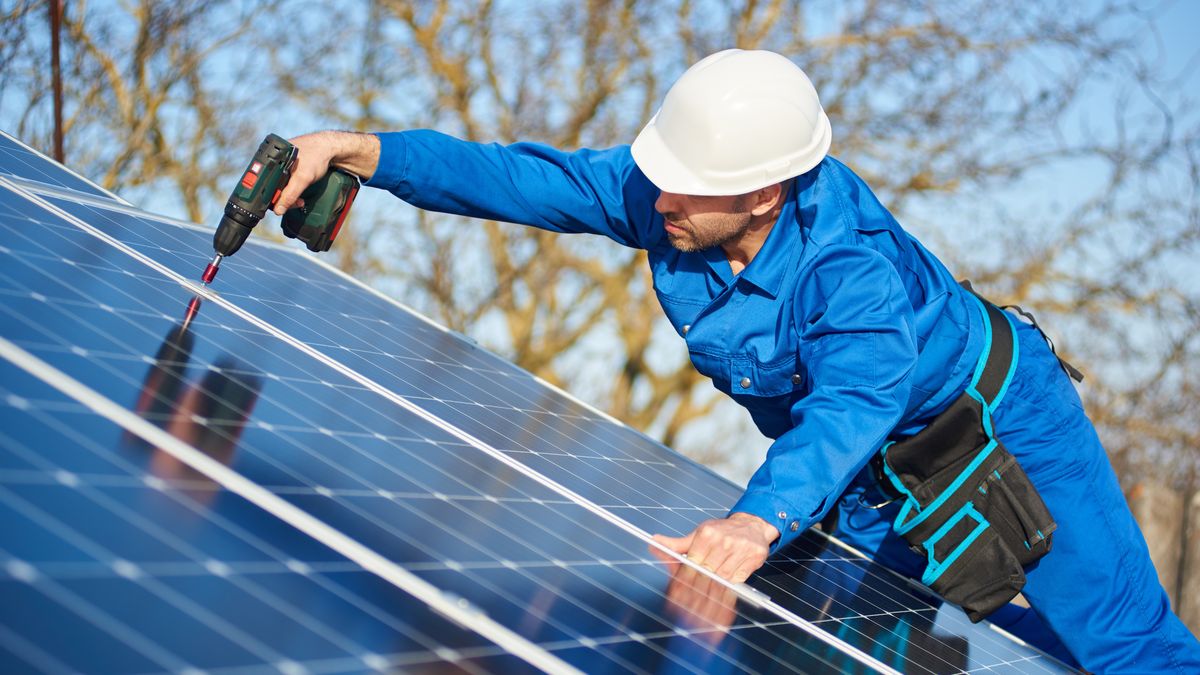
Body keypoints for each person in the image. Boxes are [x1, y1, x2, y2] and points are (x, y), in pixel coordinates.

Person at [274, 49, 1200, 673]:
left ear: (762, 192)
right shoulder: (672, 196)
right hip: (867, 472)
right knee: (863, 634)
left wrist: (758, 519)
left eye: (686, 185)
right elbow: (528, 177)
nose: (655, 197)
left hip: (998, 426)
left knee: (1118, 645)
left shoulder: (852, 274)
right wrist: (368, 151)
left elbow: (854, 400)